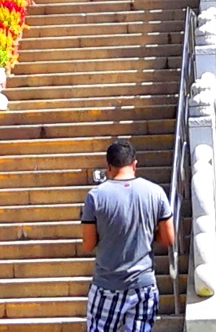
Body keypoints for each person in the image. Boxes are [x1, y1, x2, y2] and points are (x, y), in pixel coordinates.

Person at [78, 138, 174, 332]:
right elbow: (168, 238)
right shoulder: (156, 193)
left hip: (106, 284)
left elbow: (88, 244)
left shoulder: (95, 196)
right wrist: (149, 234)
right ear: (134, 164)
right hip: (143, 284)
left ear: (108, 166)